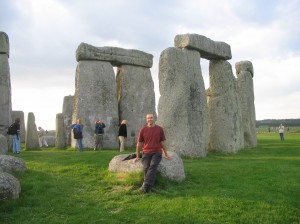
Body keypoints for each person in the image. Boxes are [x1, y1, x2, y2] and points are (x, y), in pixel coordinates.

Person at [134, 113, 171, 193]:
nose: (150, 119)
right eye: (148, 118)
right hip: (146, 152)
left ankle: (145, 186)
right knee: (146, 168)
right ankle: (149, 188)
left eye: (151, 118)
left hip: (157, 152)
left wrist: (166, 154)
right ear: (146, 119)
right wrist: (137, 156)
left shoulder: (159, 129)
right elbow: (139, 144)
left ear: (154, 118)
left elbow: (162, 142)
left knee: (153, 165)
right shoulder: (143, 130)